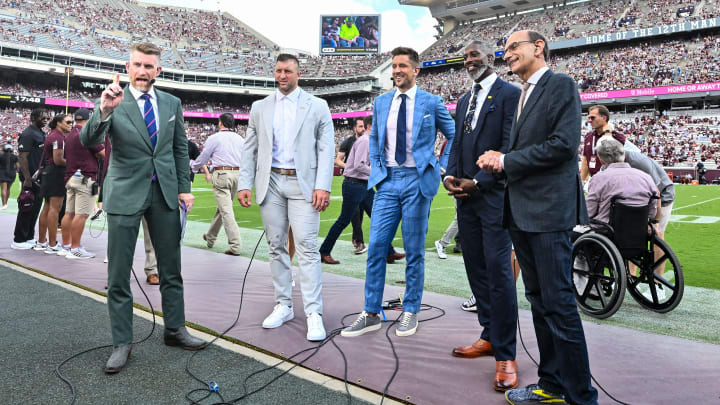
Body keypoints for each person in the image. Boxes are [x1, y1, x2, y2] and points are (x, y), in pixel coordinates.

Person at [477, 30, 598, 405]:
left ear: (538, 47)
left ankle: (581, 397)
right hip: (523, 213)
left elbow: (563, 147)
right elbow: (532, 148)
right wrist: (500, 158)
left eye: (514, 46)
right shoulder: (525, 94)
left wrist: (506, 160)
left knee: (559, 304)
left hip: (547, 214)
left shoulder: (560, 84)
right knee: (540, 301)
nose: (507, 53)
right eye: (506, 48)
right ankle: (552, 384)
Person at [80, 42, 205, 374]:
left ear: (158, 70)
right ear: (128, 66)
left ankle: (175, 329)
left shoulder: (172, 103)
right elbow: (87, 139)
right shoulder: (112, 99)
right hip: (124, 193)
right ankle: (122, 341)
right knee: (118, 273)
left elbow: (180, 148)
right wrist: (105, 110)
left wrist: (184, 188)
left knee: (171, 268)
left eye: (149, 66)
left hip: (163, 193)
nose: (143, 71)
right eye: (138, 64)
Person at [341, 46, 455, 338]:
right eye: (393, 66)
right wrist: (379, 170)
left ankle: (411, 310)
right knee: (377, 246)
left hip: (418, 179)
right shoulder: (381, 103)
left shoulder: (432, 102)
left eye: (403, 66)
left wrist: (438, 165)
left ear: (416, 70)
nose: (396, 71)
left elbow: (454, 135)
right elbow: (376, 136)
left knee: (415, 250)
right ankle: (370, 312)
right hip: (389, 182)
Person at [237, 53, 334, 342]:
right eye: (278, 71)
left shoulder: (317, 106)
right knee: (276, 246)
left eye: (288, 71)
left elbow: (326, 148)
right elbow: (249, 149)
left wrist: (323, 186)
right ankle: (284, 305)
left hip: (303, 183)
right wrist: (245, 183)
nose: (282, 76)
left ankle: (314, 312)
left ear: (298, 74)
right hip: (272, 181)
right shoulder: (260, 107)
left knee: (306, 247)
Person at [443, 40, 521, 392]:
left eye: (476, 55)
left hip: (494, 197)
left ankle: (506, 355)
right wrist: (449, 175)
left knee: (499, 272)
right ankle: (489, 334)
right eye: (466, 56)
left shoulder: (510, 94)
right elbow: (457, 142)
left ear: (492, 58)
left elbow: (510, 145)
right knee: (475, 267)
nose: (470, 60)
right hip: (466, 198)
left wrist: (479, 181)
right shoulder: (463, 100)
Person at [319, 115, 402, 264]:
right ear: (370, 126)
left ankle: (389, 252)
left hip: (362, 185)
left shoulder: (367, 141)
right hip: (355, 184)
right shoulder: (365, 141)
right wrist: (378, 172)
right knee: (344, 220)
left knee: (378, 218)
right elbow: (359, 165)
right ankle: (324, 251)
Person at [192, 113, 245, 256]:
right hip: (237, 175)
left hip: (221, 174)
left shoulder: (214, 138)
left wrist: (193, 167)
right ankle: (210, 237)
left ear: (220, 123)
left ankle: (235, 246)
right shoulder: (240, 138)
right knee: (222, 209)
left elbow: (204, 156)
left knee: (226, 211)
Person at [11, 108, 49, 250]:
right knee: (26, 206)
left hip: (38, 178)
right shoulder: (28, 133)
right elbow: (22, 157)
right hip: (30, 178)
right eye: (42, 117)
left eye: (47, 117)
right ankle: (18, 239)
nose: (46, 119)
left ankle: (28, 236)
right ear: (33, 117)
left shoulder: (41, 133)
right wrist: (27, 178)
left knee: (35, 208)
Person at [328, 117, 367, 257]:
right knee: (354, 213)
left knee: (361, 213)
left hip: (365, 182)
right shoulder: (348, 142)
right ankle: (359, 242)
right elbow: (338, 160)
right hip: (351, 182)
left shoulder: (368, 141)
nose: (362, 129)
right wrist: (350, 167)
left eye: (364, 126)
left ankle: (356, 239)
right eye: (360, 126)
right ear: (354, 128)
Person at [36, 113, 70, 254]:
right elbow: (58, 160)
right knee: (54, 209)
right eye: (67, 122)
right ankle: (51, 243)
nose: (71, 124)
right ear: (58, 123)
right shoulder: (57, 137)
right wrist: (73, 164)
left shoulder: (53, 135)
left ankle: (42, 241)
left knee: (47, 206)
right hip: (56, 173)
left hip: (49, 173)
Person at [580, 104, 626, 186]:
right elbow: (586, 160)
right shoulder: (588, 137)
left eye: (592, 117)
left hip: (613, 182)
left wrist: (608, 132)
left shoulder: (618, 137)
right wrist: (582, 179)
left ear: (604, 118)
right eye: (589, 118)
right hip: (595, 181)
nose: (589, 120)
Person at [0, 143, 19, 209]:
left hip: (2, 173)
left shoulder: (1, 156)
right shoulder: (15, 157)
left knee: (3, 189)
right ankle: (6, 203)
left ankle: (4, 204)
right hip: (12, 173)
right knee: (8, 189)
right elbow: (18, 167)